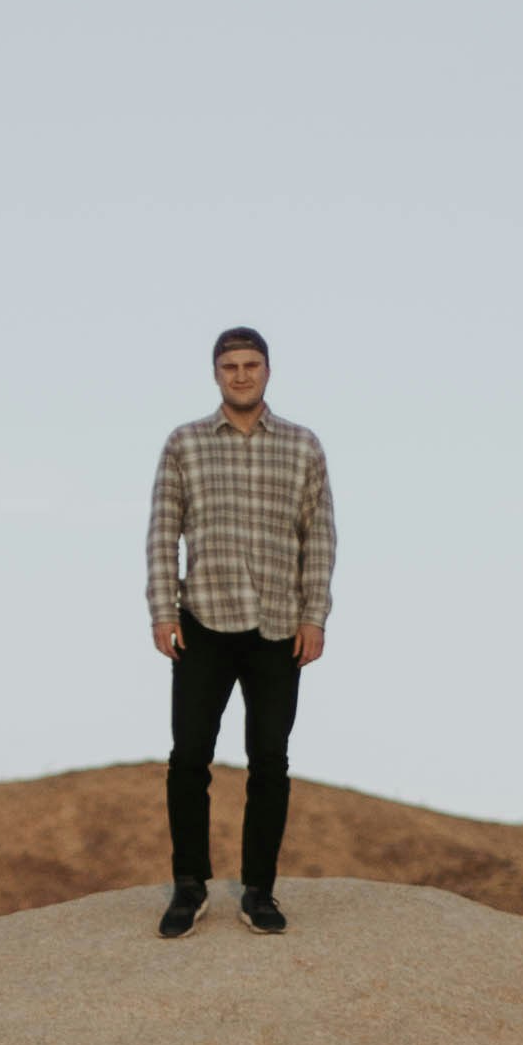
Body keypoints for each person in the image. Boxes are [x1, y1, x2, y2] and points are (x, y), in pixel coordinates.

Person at [146, 326, 335, 937]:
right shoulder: (185, 444)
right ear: (216, 374)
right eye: (230, 366)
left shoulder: (303, 446)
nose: (242, 375)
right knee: (188, 759)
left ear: (268, 371)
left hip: (278, 625)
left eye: (252, 365)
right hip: (202, 619)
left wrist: (314, 615)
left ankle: (259, 891)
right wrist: (162, 610)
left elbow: (319, 536)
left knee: (270, 762)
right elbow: (163, 531)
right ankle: (189, 886)